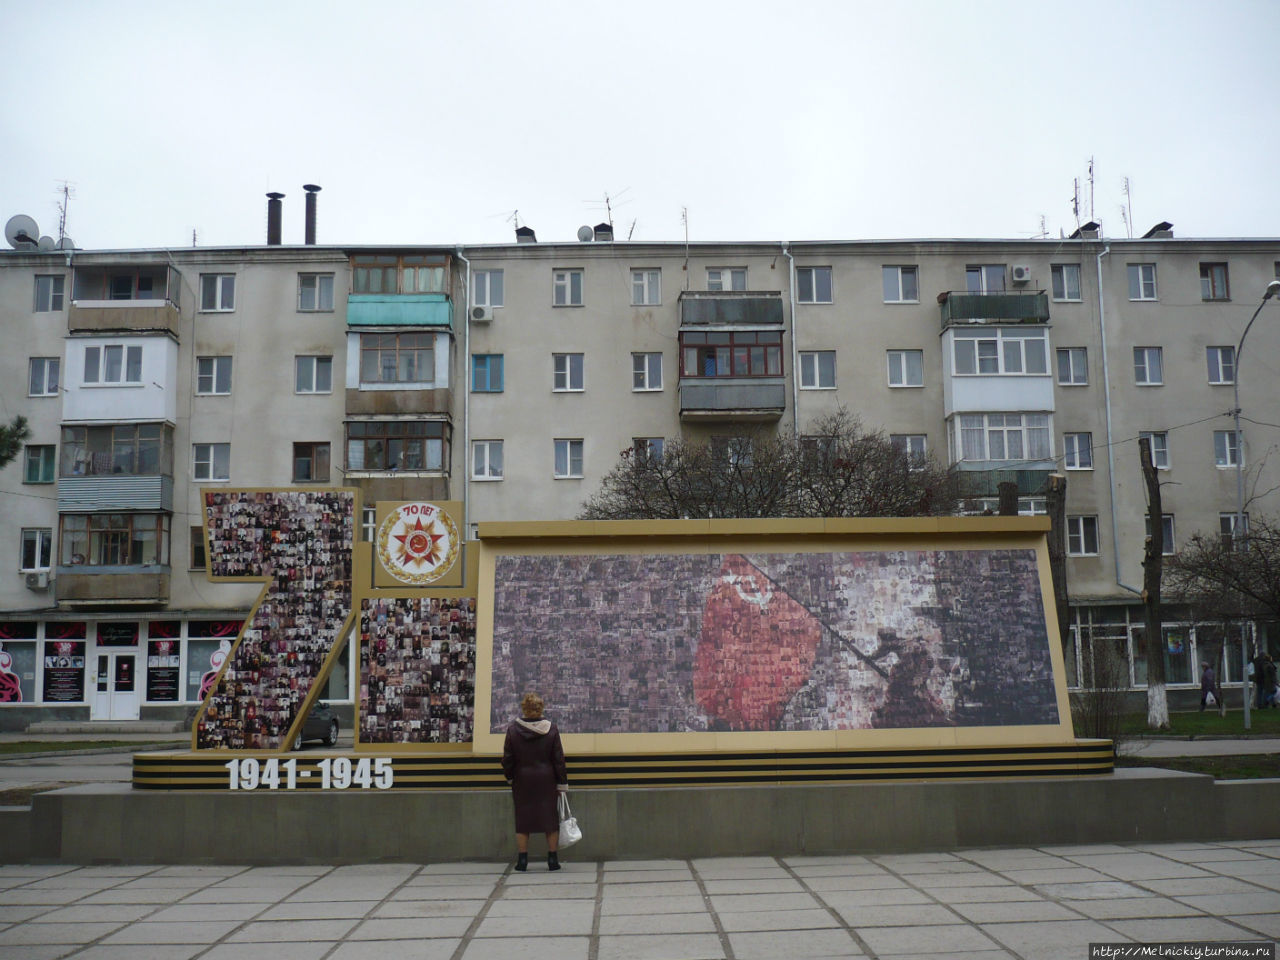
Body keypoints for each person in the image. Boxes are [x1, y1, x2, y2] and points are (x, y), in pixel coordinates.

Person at [501, 692, 568, 872]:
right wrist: (562, 783)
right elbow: (558, 759)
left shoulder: (513, 730)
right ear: (540, 709)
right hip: (546, 779)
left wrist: (510, 777)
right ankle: (552, 860)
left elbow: (508, 758)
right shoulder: (551, 729)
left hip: (522, 779)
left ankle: (523, 861)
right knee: (550, 820)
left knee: (523, 820)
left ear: (524, 708)